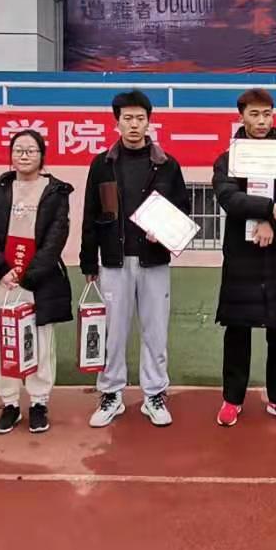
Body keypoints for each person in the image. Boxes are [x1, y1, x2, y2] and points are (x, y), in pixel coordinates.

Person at [79, 90, 189, 429]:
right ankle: (111, 393)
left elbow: (182, 210)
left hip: (153, 261)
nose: (134, 124)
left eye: (140, 118)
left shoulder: (167, 164)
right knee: (113, 332)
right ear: (117, 123)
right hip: (114, 261)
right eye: (127, 118)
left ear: (149, 122)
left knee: (155, 330)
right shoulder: (102, 164)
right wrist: (88, 261)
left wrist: (166, 231)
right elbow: (90, 214)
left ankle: (154, 394)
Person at [212, 88, 276, 427]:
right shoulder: (228, 158)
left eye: (267, 114)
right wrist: (269, 209)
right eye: (254, 114)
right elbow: (228, 197)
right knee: (237, 329)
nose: (261, 121)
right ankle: (232, 399)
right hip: (242, 255)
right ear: (241, 116)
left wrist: (271, 221)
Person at [0, 129, 73, 436]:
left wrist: (29, 274)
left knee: (41, 344)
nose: (24, 155)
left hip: (38, 281)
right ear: (11, 155)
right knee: (3, 342)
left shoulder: (56, 191)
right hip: (1, 280)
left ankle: (39, 402)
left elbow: (56, 237)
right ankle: (9, 403)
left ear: (42, 156)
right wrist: (1, 269)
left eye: (31, 150)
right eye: (18, 150)